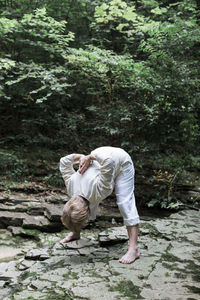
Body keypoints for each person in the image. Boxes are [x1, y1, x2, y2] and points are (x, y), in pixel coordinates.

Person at [59, 146, 140, 264]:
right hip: (100, 156)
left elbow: (109, 162)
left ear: (88, 212)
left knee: (124, 203)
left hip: (120, 160)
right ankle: (76, 233)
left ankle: (134, 249)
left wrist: (89, 157)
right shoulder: (71, 186)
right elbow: (64, 161)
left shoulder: (101, 189)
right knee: (76, 210)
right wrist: (82, 157)